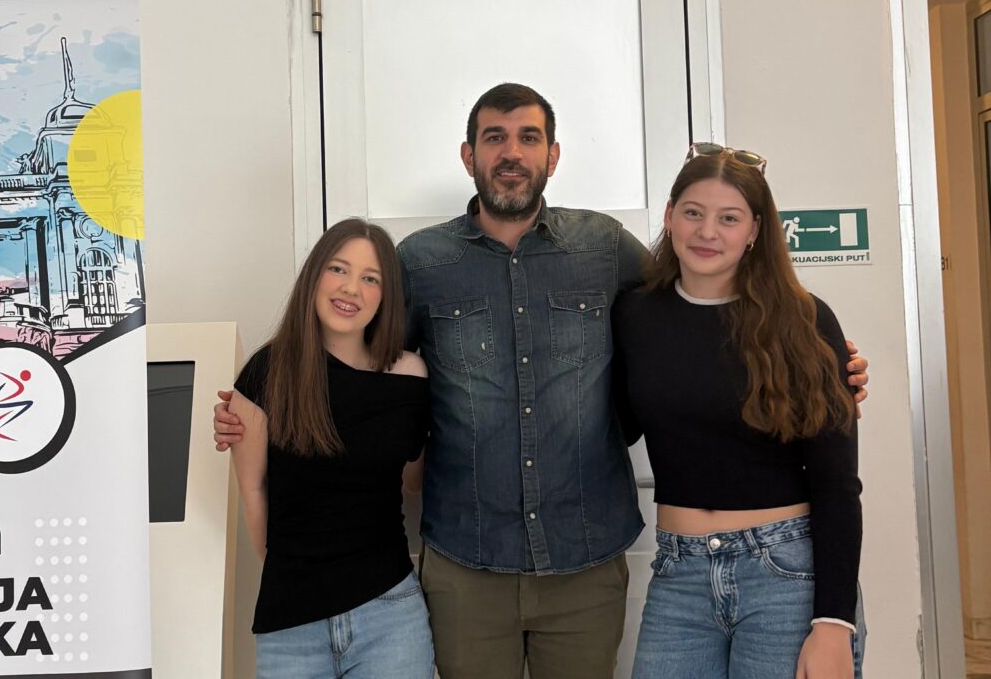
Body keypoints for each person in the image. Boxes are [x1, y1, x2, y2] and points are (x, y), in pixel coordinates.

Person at [217, 84, 869, 678]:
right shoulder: (421, 262)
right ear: (469, 155)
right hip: (466, 563)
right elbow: (359, 353)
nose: (512, 153)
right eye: (494, 138)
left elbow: (692, 307)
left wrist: (815, 359)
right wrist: (260, 401)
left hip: (586, 561)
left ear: (552, 156)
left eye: (528, 137)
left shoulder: (604, 248)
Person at [614, 144, 865, 678]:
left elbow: (837, 483)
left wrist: (834, 621)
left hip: (785, 573)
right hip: (679, 572)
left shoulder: (804, 320)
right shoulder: (635, 314)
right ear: (669, 216)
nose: (707, 232)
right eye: (693, 212)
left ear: (754, 230)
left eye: (729, 218)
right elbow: (616, 425)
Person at [226, 217, 434, 678]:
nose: (351, 289)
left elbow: (413, 483)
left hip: (391, 616)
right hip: (291, 627)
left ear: (385, 296)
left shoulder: (411, 377)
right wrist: (297, 573)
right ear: (314, 275)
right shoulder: (265, 374)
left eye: (371, 278)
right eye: (338, 269)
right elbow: (254, 495)